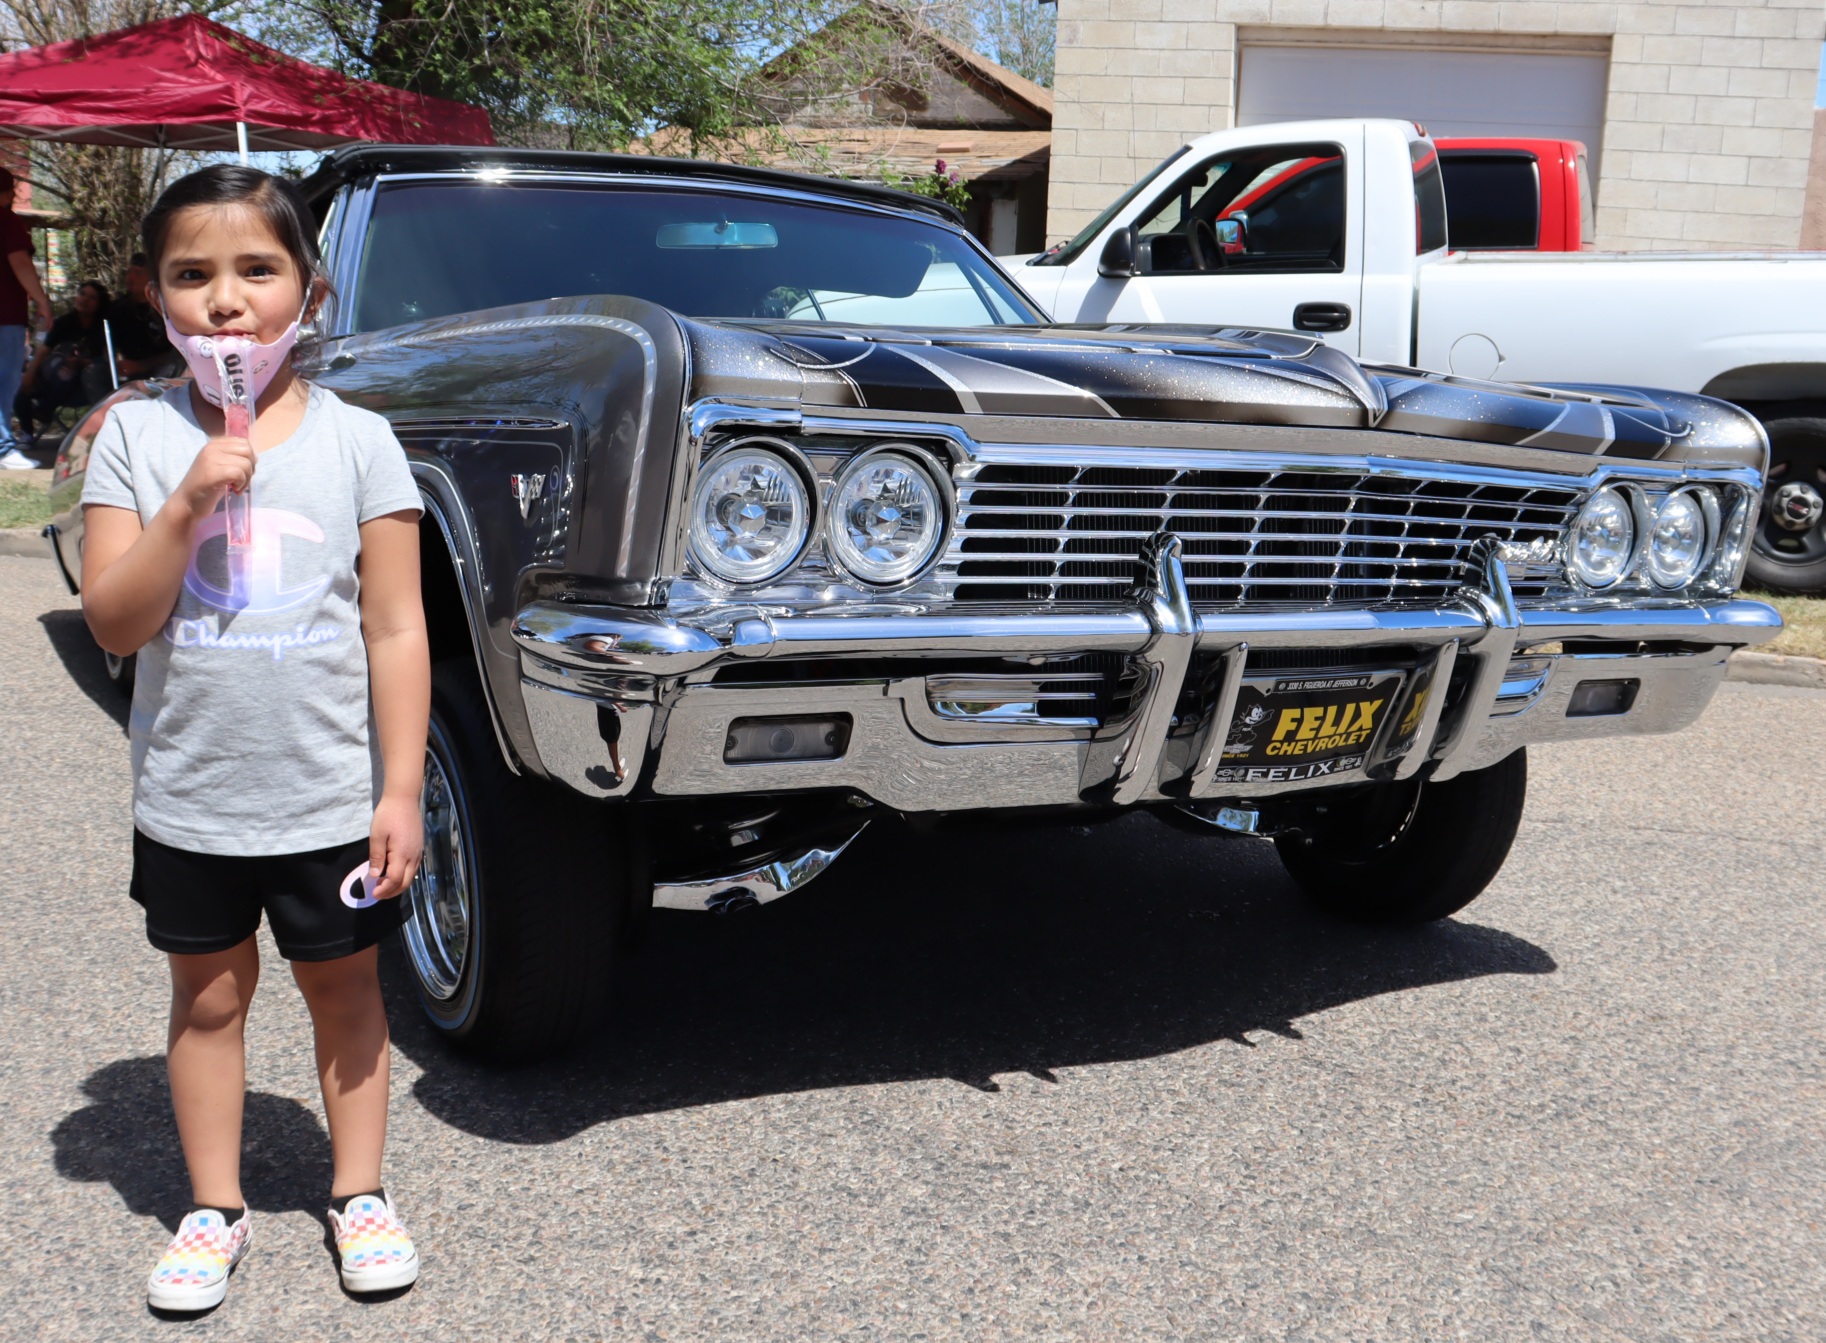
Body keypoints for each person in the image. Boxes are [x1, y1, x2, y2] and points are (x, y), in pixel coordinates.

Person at [78, 164, 430, 1311]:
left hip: (328, 796)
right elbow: (115, 620)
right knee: (208, 997)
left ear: (309, 294)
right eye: (192, 274)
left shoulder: (361, 440)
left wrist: (400, 788)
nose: (226, 299)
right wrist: (186, 503)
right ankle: (213, 1206)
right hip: (193, 795)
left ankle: (359, 1190)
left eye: (256, 270)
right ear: (153, 295)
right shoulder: (134, 438)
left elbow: (394, 626)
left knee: (347, 991)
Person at [0, 163, 55, 469]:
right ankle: (3, 446)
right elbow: (20, 262)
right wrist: (42, 301)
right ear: (7, 193)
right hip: (4, 315)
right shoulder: (6, 221)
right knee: (4, 380)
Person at [14, 279, 111, 441]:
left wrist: (81, 363)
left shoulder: (103, 328)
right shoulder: (63, 323)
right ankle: (27, 431)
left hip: (81, 386)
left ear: (99, 304)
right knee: (20, 382)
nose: (85, 299)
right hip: (53, 378)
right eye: (82, 294)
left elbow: (106, 362)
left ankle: (45, 409)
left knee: (67, 371)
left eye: (92, 298)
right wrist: (30, 374)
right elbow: (43, 351)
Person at [110, 251, 181, 380]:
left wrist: (140, 366)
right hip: (128, 370)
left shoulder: (167, 307)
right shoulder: (118, 308)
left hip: (161, 370)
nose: (131, 277)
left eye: (138, 273)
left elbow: (176, 352)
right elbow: (111, 346)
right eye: (129, 272)